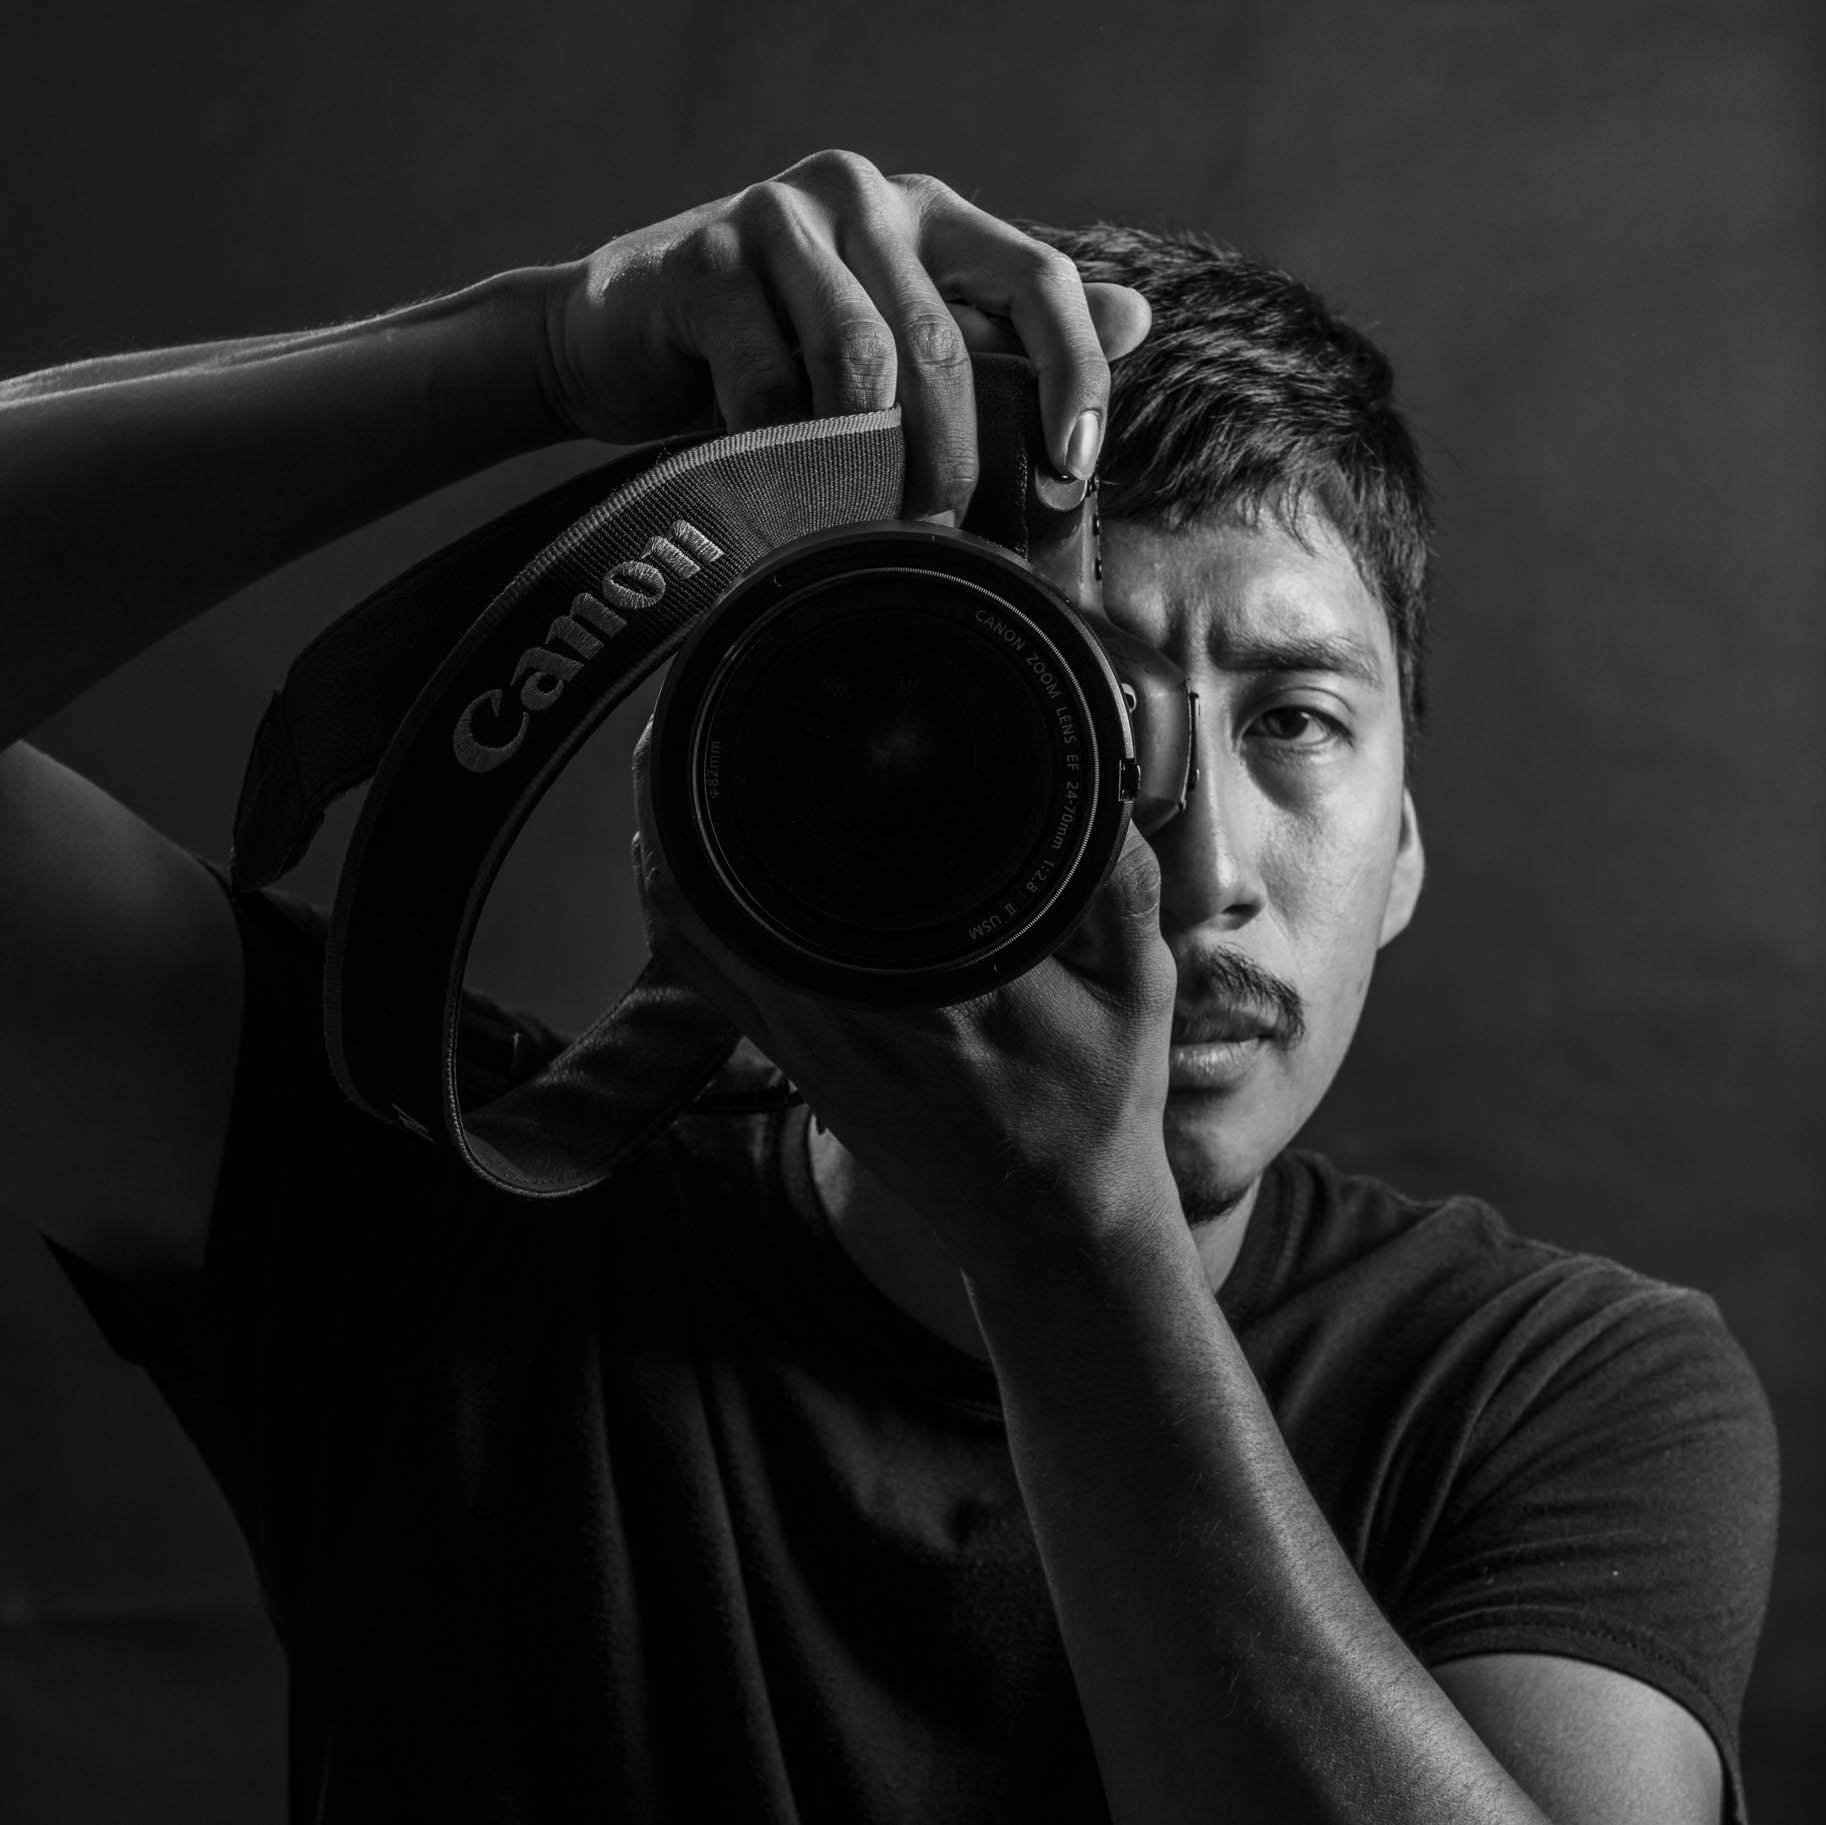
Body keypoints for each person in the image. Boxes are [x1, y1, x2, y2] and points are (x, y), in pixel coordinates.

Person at [0, 148, 1778, 1824]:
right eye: (1079, 720)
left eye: (1296, 722)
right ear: (841, 775)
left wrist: (1068, 1237)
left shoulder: (1554, 1385)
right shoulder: (441, 1227)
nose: (1203, 863)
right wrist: (541, 349)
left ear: (1399, 844)